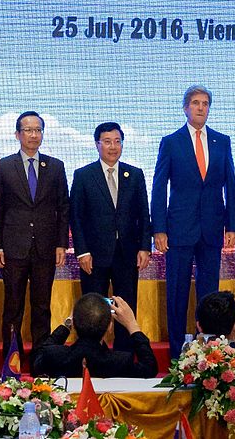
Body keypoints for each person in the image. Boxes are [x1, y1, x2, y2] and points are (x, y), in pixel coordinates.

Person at [151, 85, 235, 357]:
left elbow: (230, 186)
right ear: (185, 108)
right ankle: (178, 352)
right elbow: (158, 187)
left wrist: (233, 226)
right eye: (196, 103)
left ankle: (211, 352)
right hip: (178, 228)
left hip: (212, 228)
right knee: (177, 292)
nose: (201, 108)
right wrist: (159, 229)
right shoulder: (171, 141)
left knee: (210, 294)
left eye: (205, 103)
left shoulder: (222, 141)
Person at [0, 111, 69, 357]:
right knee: (13, 308)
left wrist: (61, 244)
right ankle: (11, 362)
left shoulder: (55, 166)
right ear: (17, 134)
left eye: (38, 130)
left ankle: (41, 360)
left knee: (42, 307)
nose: (34, 135)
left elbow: (63, 207)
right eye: (28, 130)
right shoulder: (2, 167)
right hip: (13, 248)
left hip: (45, 247)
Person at [69, 122, 151, 352]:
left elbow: (144, 214)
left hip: (127, 253)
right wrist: (82, 251)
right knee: (93, 308)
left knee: (125, 306)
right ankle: (93, 355)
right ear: (97, 145)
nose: (113, 147)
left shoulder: (134, 174)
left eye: (117, 141)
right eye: (107, 141)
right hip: (93, 256)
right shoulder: (84, 175)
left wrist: (145, 247)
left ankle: (124, 355)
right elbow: (76, 216)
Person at [31, 293, 157, 378]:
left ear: (74, 324)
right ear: (110, 328)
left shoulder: (54, 357)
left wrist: (67, 324)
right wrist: (132, 325)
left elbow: (40, 354)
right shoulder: (120, 361)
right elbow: (150, 367)